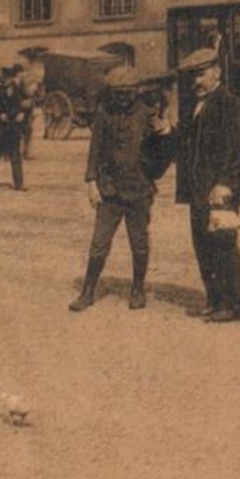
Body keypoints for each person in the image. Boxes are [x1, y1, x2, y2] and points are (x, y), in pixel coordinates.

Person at [70, 66, 175, 312]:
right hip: (109, 190)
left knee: (138, 243)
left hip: (138, 190)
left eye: (127, 93)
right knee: (99, 243)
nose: (122, 98)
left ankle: (137, 290)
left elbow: (163, 155)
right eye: (117, 93)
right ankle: (87, 291)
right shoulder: (104, 114)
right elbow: (95, 149)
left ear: (136, 91)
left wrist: (166, 132)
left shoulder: (148, 114)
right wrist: (90, 182)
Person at [172, 47, 240, 323]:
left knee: (223, 246)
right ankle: (215, 299)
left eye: (202, 74)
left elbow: (238, 149)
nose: (197, 81)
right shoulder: (194, 104)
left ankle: (233, 305)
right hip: (198, 189)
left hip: (220, 190)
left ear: (217, 72)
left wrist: (225, 183)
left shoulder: (228, 103)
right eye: (193, 76)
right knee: (203, 245)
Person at [0, 68, 28, 190]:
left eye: (9, 79)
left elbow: (23, 104)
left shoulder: (16, 89)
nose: (8, 81)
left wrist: (21, 113)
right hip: (0, 128)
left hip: (13, 127)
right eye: (5, 79)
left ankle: (19, 184)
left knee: (15, 156)